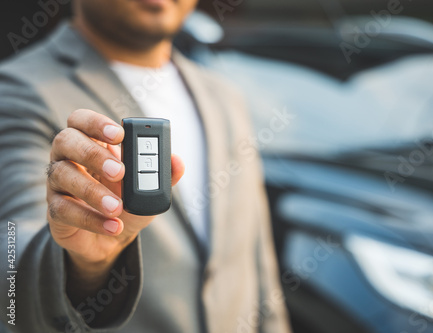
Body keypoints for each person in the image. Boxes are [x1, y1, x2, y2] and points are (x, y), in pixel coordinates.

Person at [0, 0, 291, 332]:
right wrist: (82, 264)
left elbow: (260, 266)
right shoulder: (16, 91)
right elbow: (11, 253)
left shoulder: (225, 97)